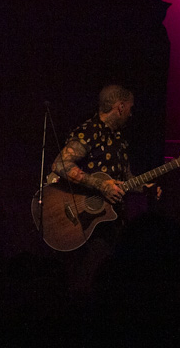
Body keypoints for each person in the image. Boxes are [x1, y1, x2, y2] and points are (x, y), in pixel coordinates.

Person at [49, 84, 139, 289]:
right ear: (120, 107)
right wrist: (101, 185)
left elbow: (125, 178)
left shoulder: (120, 139)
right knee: (89, 278)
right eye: (130, 108)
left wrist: (145, 186)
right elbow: (60, 164)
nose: (131, 114)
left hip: (113, 221)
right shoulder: (89, 131)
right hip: (87, 222)